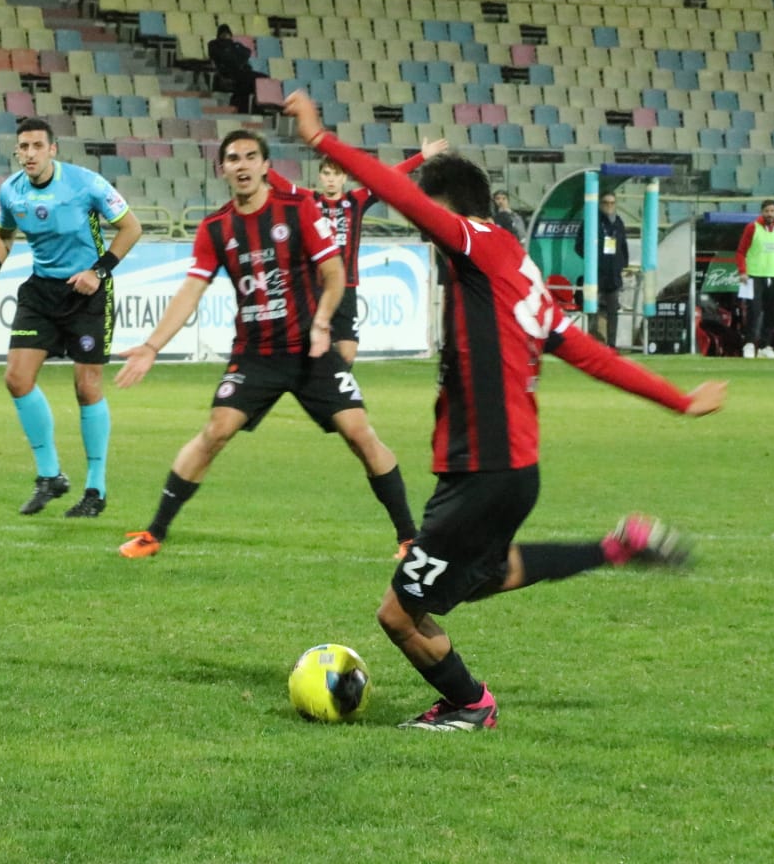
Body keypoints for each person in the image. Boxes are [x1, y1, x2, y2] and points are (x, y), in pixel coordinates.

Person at [284, 90, 727, 731]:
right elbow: (590, 354)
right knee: (484, 577)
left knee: (398, 613)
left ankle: (470, 706)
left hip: (483, 472)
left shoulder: (476, 243)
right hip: (511, 472)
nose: (422, 231)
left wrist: (321, 140)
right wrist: (680, 401)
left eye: (427, 220)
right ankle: (616, 547)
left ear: (449, 212)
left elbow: (400, 194)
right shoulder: (519, 271)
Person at [114, 128, 420, 560]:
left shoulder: (298, 210)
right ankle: (154, 532)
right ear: (223, 169)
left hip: (310, 351)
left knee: (359, 433)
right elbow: (190, 291)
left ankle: (409, 537)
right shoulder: (216, 227)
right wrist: (152, 346)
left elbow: (333, 274)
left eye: (250, 157)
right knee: (215, 431)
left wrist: (322, 323)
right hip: (256, 356)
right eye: (233, 158)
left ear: (265, 166)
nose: (241, 165)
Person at [0, 118, 143, 518]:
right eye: (23, 147)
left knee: (86, 387)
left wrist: (97, 272)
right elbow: (4, 233)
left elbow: (130, 228)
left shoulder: (86, 184)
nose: (29, 154)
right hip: (42, 291)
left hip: (88, 292)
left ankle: (95, 489)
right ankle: (50, 476)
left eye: (37, 146)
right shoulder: (11, 191)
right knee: (16, 379)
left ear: (53, 149)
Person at [266, 137, 449, 363]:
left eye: (336, 174)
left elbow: (387, 179)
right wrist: (261, 167)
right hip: (315, 287)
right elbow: (281, 185)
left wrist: (421, 157)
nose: (331, 179)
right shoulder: (309, 199)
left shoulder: (356, 200)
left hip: (347, 287)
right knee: (310, 349)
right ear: (320, 177)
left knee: (347, 354)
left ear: (344, 178)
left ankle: (331, 386)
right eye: (327, 174)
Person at [735, 198, 774, 358]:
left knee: (772, 311)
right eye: (767, 211)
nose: (769, 214)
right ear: (762, 212)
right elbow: (740, 252)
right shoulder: (752, 228)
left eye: (772, 211)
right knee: (754, 310)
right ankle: (749, 344)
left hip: (773, 275)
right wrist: (742, 271)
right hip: (754, 276)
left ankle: (765, 346)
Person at [574, 191, 629, 347]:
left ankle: (611, 345)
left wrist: (622, 265)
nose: (609, 206)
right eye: (606, 202)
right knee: (593, 310)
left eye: (612, 203)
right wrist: (594, 260)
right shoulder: (591, 222)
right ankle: (592, 344)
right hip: (596, 274)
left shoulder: (618, 222)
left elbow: (622, 246)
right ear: (599, 204)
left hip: (613, 275)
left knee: (613, 312)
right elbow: (578, 246)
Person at [208, 24, 265, 115]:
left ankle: (258, 107)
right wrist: (234, 54)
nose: (226, 36)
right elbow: (225, 57)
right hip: (228, 73)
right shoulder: (214, 44)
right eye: (223, 33)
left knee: (263, 78)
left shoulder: (235, 45)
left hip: (242, 72)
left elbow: (247, 53)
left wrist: (233, 53)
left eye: (227, 34)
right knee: (249, 80)